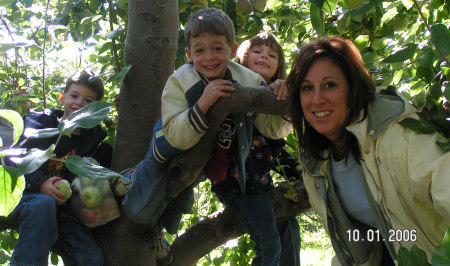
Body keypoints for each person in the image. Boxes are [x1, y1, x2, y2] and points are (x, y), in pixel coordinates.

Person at [120, 8, 292, 265]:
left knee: (177, 206)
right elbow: (176, 137)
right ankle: (129, 179)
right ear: (189, 54)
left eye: (217, 49)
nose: (209, 57)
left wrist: (281, 100)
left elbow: (271, 129)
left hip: (205, 153)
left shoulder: (248, 79)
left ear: (233, 50)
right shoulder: (180, 81)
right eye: (200, 50)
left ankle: (162, 226)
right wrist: (201, 105)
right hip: (168, 146)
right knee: (139, 210)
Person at [287, 36, 450, 265]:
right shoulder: (316, 164)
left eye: (330, 85)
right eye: (306, 88)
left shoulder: (398, 132)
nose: (317, 99)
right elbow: (356, 240)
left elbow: (442, 176)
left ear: (352, 87)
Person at [206, 32, 301, 265]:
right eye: (257, 52)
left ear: (279, 66)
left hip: (261, 184)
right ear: (243, 59)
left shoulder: (275, 96)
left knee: (289, 229)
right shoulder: (231, 88)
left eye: (272, 55)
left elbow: (275, 146)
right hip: (238, 185)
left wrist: (299, 173)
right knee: (268, 243)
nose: (264, 57)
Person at [9, 70, 112, 266]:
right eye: (74, 96)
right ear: (62, 97)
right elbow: (17, 159)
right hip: (30, 195)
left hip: (63, 207)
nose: (80, 103)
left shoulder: (92, 140)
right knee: (42, 204)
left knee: (91, 258)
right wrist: (40, 184)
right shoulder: (41, 124)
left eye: (88, 101)